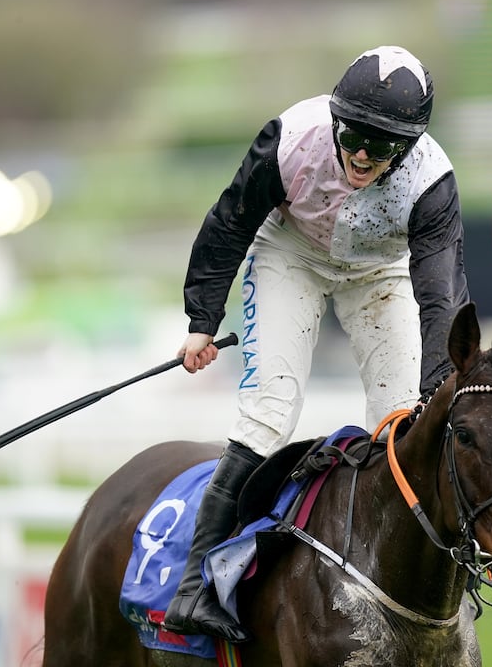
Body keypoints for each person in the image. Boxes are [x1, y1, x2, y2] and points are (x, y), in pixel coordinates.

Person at [163, 45, 470, 643]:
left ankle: (408, 585)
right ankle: (195, 587)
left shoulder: (432, 184)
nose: (360, 154)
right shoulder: (292, 137)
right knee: (271, 412)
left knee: (404, 421)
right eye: (352, 133)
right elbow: (230, 221)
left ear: (408, 146)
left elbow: (442, 297)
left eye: (380, 147)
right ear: (335, 117)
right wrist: (202, 318)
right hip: (291, 256)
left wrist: (440, 381)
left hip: (379, 273)